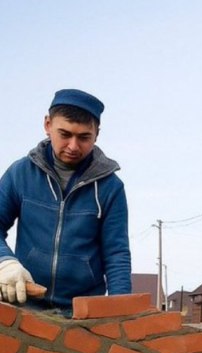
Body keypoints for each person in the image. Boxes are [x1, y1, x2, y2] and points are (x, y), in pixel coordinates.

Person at [0, 88, 131, 314]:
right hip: (24, 306)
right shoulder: (20, 174)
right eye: (65, 134)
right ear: (48, 125)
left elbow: (116, 254)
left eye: (84, 137)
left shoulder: (111, 187)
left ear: (97, 134)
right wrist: (5, 261)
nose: (73, 146)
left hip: (83, 312)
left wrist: (122, 311)